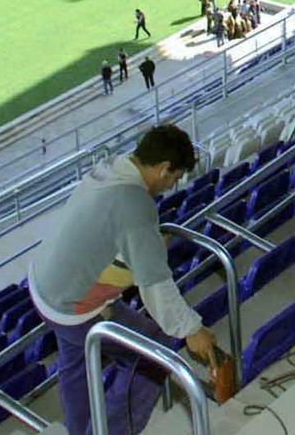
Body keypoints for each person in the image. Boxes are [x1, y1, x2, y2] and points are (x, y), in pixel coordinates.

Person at [29, 125, 219, 435]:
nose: (172, 185)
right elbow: (155, 285)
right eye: (174, 177)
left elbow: (111, 234)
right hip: (72, 305)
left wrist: (148, 245)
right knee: (153, 354)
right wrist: (191, 329)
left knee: (76, 361)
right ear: (162, 168)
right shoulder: (134, 204)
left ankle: (79, 430)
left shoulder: (110, 168)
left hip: (45, 285)